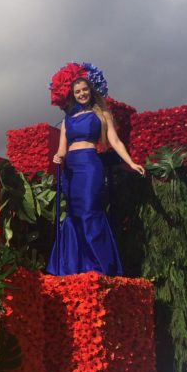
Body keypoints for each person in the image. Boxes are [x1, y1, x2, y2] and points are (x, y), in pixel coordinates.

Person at [46, 62, 144, 277]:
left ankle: (98, 265)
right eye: (77, 92)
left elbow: (116, 142)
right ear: (73, 95)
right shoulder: (67, 121)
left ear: (91, 91)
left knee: (90, 211)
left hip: (90, 166)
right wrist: (57, 156)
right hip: (71, 168)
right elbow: (62, 149)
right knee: (73, 215)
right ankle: (74, 266)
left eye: (84, 90)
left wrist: (130, 162)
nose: (81, 94)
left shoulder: (101, 114)